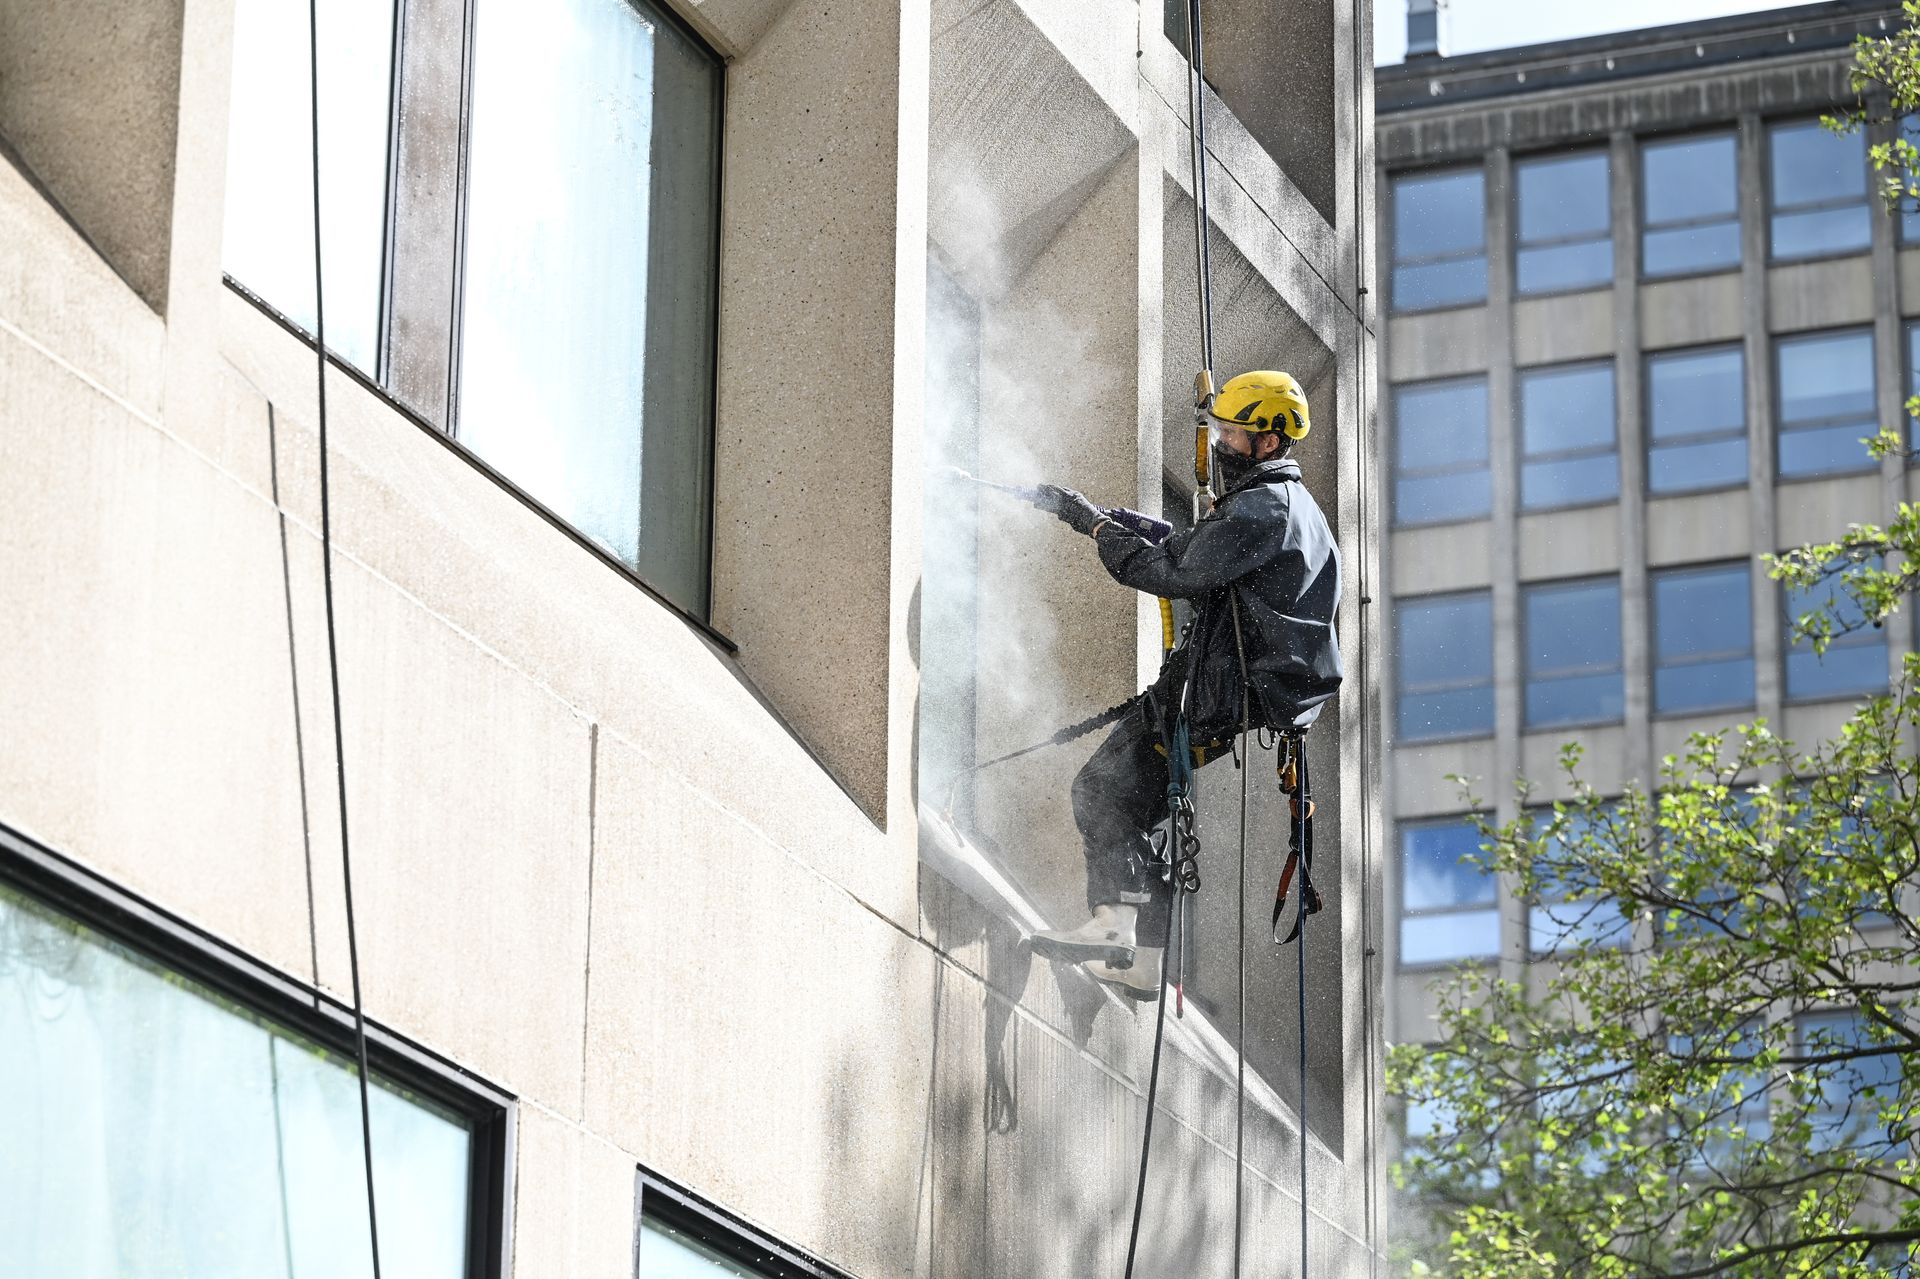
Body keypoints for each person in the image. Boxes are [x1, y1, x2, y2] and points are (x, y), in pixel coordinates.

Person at [1025, 370, 1343, 997]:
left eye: (1234, 433)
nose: (1222, 443)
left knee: (1100, 790)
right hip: (1232, 698)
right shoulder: (1292, 512)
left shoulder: (1263, 509)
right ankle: (1144, 961)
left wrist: (1097, 530)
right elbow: (1199, 548)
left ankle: (1114, 926)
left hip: (1213, 692)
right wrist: (1125, 523)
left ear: (1270, 443)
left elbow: (1170, 571)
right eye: (1219, 429)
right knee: (1138, 805)